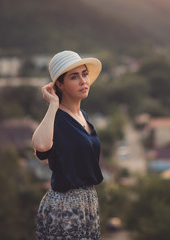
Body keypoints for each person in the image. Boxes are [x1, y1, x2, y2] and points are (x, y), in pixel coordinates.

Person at [32, 50, 104, 239]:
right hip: (65, 207)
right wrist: (53, 105)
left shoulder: (83, 116)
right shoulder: (56, 119)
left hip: (87, 202)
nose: (83, 81)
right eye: (74, 77)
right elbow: (40, 146)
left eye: (84, 74)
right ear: (60, 84)